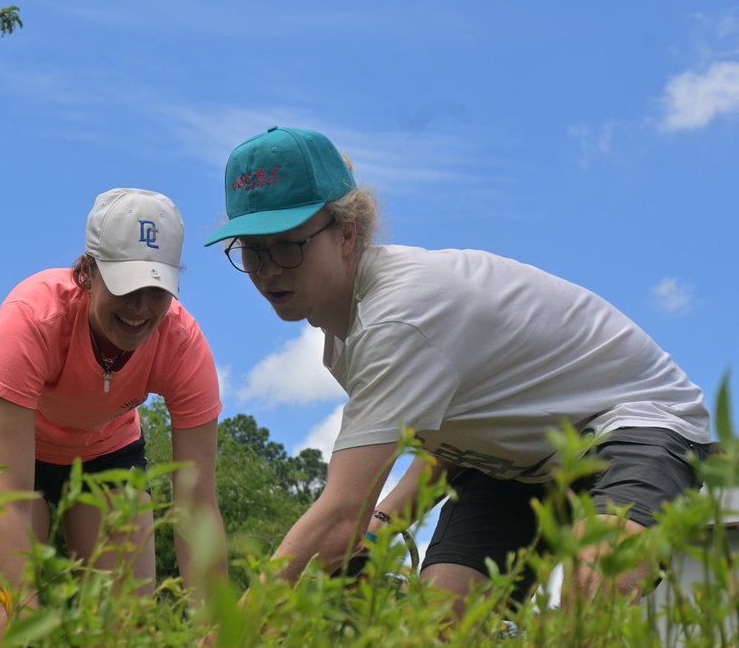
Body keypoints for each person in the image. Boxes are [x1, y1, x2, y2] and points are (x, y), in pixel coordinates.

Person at [204, 126, 712, 615]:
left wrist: (230, 632)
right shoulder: (345, 338)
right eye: (252, 250)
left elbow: (339, 516)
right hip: (518, 463)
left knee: (593, 587)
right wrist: (380, 526)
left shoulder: (398, 318)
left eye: (288, 244)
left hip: (633, 422)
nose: (268, 268)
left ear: (347, 234)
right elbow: (451, 438)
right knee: (437, 624)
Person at [0, 187, 227, 642]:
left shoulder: (183, 345)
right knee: (1, 618)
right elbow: (8, 502)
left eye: (156, 290)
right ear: (87, 272)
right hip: (3, 453)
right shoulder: (31, 317)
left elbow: (197, 506)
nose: (141, 308)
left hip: (105, 452)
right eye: (126, 287)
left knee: (121, 626)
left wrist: (218, 629)